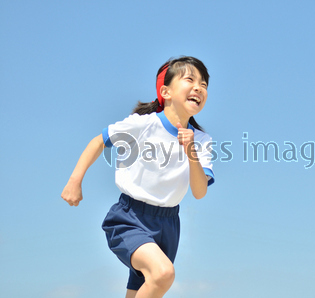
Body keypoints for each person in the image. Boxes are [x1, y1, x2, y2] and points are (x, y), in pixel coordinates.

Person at [61, 56, 215, 298]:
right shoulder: (143, 125)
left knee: (141, 291)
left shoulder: (202, 141)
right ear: (166, 91)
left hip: (168, 224)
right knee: (164, 274)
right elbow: (100, 140)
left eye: (204, 84)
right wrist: (75, 181)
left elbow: (199, 191)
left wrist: (191, 153)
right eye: (190, 79)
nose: (199, 87)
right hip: (130, 217)